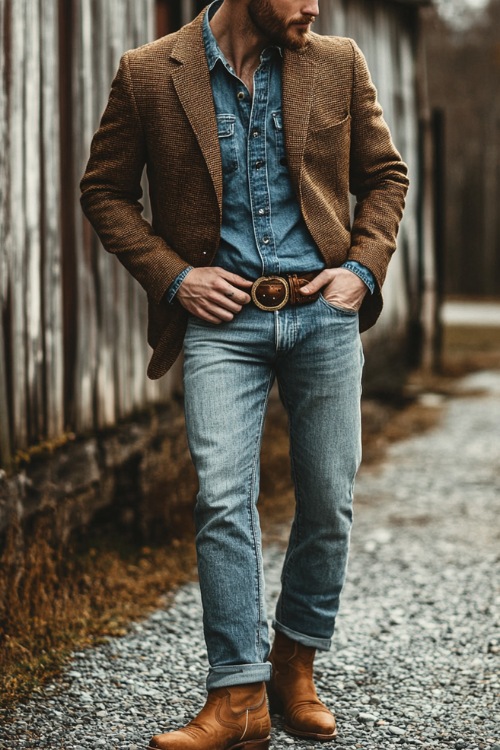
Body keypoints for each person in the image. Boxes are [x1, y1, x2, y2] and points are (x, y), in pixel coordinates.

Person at [80, 1, 409, 748]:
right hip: (220, 325)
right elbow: (104, 192)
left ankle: (294, 662)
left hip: (322, 312)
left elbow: (386, 177)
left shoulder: (338, 61)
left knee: (328, 498)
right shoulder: (148, 75)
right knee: (223, 499)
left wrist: (362, 268)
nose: (314, 6)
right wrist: (174, 279)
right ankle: (237, 697)